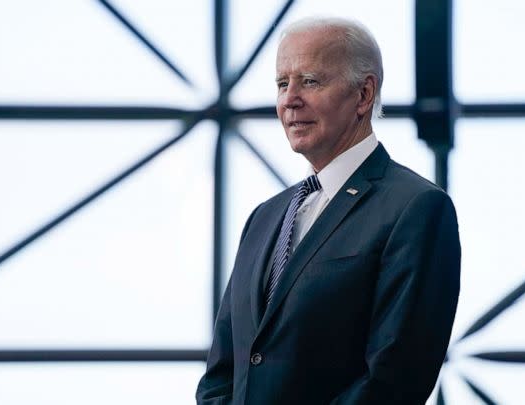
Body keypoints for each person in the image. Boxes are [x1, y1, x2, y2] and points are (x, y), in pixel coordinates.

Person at [196, 17, 460, 405]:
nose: (290, 99)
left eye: (311, 81)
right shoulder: (264, 218)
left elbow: (393, 379)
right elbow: (221, 375)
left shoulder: (416, 208)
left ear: (364, 95)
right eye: (282, 83)